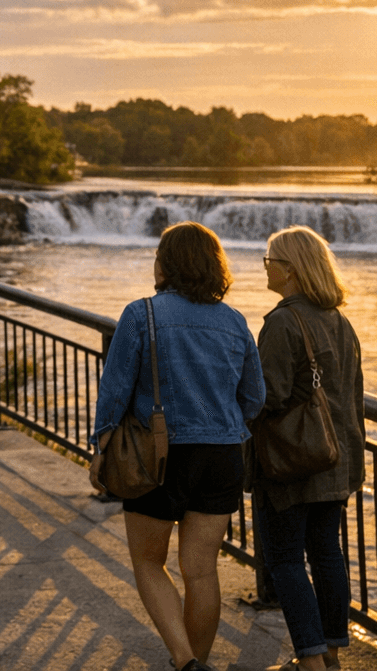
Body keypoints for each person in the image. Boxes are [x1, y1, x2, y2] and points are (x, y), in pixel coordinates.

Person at [90, 222, 265, 671]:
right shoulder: (234, 321)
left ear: (168, 263)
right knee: (201, 569)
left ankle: (184, 660)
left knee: (149, 563)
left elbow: (114, 392)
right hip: (223, 455)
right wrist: (223, 422)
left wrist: (102, 447)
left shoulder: (141, 314)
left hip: (160, 455)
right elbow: (254, 398)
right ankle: (197, 664)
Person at [253, 226, 365, 671]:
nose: (266, 268)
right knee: (326, 552)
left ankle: (312, 661)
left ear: (290, 271)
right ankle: (331, 650)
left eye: (269, 261)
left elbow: (270, 397)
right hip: (336, 461)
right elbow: (351, 394)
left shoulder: (282, 322)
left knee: (284, 559)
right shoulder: (341, 321)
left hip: (293, 461)